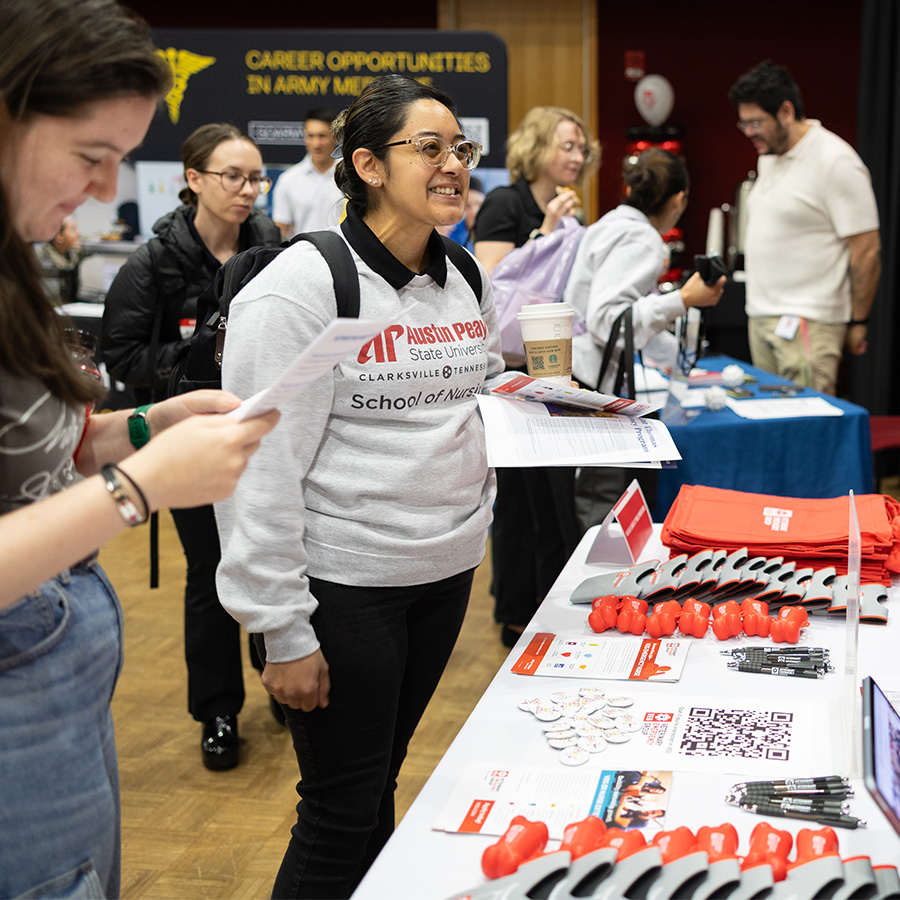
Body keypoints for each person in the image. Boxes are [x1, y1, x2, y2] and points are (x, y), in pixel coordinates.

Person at [0, 1, 278, 897]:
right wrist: (140, 484)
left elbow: (43, 449)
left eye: (121, 159)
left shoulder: (16, 263)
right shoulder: (137, 267)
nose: (102, 186)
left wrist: (155, 424)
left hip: (60, 666)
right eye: (89, 157)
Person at [214, 73, 509, 899]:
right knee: (341, 812)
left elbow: (469, 390)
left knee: (376, 784)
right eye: (432, 148)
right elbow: (258, 463)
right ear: (369, 165)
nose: (455, 164)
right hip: (347, 589)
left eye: (463, 149)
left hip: (443, 573)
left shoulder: (461, 274)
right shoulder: (307, 289)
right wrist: (282, 629)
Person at [101, 123, 281, 770]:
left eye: (256, 177)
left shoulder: (269, 244)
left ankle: (275, 670)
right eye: (232, 176)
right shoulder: (154, 262)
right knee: (209, 570)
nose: (247, 190)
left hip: (262, 428)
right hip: (185, 439)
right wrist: (200, 347)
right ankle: (218, 711)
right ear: (194, 179)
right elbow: (119, 355)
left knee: (267, 552)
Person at [473, 106, 600, 647]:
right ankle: (518, 610)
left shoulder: (573, 211)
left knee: (550, 499)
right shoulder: (508, 201)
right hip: (513, 371)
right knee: (522, 501)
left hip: (556, 368)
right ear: (537, 146)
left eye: (580, 148)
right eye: (565, 145)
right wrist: (547, 230)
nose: (575, 157)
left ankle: (547, 600)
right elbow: (493, 283)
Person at [563, 148, 724, 528]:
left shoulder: (612, 223)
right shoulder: (642, 238)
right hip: (593, 384)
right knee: (601, 509)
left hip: (580, 372)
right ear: (679, 198)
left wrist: (679, 357)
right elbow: (609, 320)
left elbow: (629, 316)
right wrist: (682, 299)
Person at [729, 60, 881, 396]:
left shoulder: (836, 161)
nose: (749, 132)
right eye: (744, 124)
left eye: (756, 122)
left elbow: (867, 251)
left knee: (805, 429)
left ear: (786, 111)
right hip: (761, 315)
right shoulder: (769, 155)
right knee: (769, 424)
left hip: (810, 319)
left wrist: (858, 322)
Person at [271, 107, 345, 239]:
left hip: (345, 256)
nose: (316, 144)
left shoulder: (351, 175)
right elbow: (281, 230)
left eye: (322, 136)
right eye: (310, 136)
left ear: (335, 137)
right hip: (302, 256)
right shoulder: (288, 180)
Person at [37, 215, 84, 304]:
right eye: (73, 230)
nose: (78, 233)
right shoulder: (40, 258)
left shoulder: (73, 254)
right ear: (59, 237)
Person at [437, 175, 484, 251]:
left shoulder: (492, 231)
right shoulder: (450, 233)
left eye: (478, 204)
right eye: (467, 206)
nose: (474, 211)